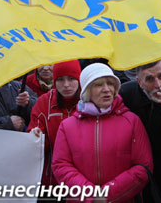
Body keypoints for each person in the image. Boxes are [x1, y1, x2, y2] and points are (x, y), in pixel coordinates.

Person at [52, 63, 152, 202]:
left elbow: (143, 167)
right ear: (87, 90)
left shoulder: (132, 121)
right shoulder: (67, 126)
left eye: (110, 84)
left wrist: (107, 195)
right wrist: (91, 196)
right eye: (98, 85)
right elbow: (61, 165)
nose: (106, 89)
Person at [119, 58, 161, 202]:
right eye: (149, 79)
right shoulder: (126, 93)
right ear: (139, 82)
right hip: (143, 174)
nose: (158, 85)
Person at [29, 60, 81, 186]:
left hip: (83, 180)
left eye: (71, 79)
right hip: (52, 181)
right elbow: (34, 147)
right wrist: (35, 136)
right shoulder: (44, 103)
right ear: (54, 81)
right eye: (60, 80)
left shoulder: (90, 101)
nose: (66, 85)